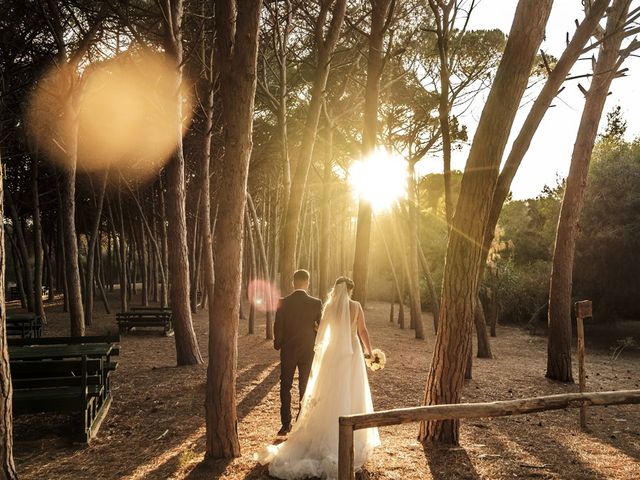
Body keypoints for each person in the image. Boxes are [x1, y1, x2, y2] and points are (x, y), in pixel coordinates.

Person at [258, 276, 381, 479]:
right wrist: (370, 352)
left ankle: (320, 429)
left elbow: (322, 331)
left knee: (329, 390)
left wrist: (318, 332)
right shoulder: (356, 306)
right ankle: (353, 434)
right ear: (350, 290)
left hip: (333, 353)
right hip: (352, 352)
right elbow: (362, 330)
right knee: (352, 389)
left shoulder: (330, 306)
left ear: (336, 289)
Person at [274, 269, 322, 436]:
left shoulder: (283, 302)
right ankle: (301, 421)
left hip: (288, 350)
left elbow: (278, 326)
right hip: (308, 350)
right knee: (305, 386)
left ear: (293, 282)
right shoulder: (316, 303)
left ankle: (285, 424)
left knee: (285, 386)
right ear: (307, 283)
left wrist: (277, 343)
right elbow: (320, 327)